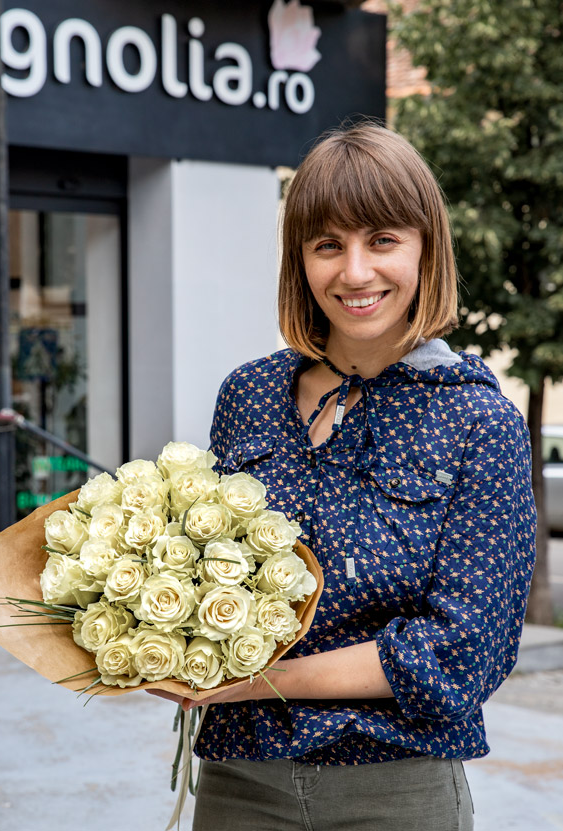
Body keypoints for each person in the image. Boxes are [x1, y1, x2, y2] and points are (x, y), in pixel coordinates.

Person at [151, 123, 537, 830]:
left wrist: (246, 683)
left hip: (393, 790)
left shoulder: (479, 421)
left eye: (382, 240)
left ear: (426, 248)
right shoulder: (249, 394)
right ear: (299, 260)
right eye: (327, 244)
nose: (354, 272)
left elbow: (460, 652)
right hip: (239, 780)